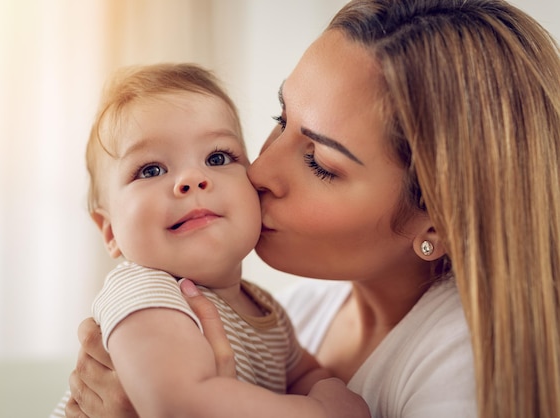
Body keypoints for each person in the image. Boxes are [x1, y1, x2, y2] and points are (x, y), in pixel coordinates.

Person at [64, 1, 560, 418]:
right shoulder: (295, 311)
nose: (256, 172)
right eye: (281, 119)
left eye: (320, 163)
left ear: (439, 218)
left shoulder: (466, 370)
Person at [51, 63, 369, 418]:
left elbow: (303, 375)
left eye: (217, 157)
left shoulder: (267, 311)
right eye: (151, 170)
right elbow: (182, 405)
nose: (191, 179)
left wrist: (326, 388)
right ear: (110, 231)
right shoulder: (146, 294)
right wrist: (321, 412)